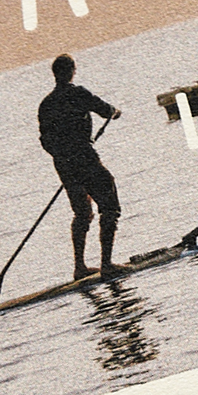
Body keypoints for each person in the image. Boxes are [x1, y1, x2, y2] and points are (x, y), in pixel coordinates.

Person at [38, 54, 124, 280]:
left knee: (82, 212)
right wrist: (116, 111)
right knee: (109, 205)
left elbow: (45, 141)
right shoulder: (78, 93)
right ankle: (106, 264)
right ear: (72, 71)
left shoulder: (46, 104)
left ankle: (80, 267)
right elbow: (106, 110)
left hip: (64, 165)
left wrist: (63, 157)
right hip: (84, 158)